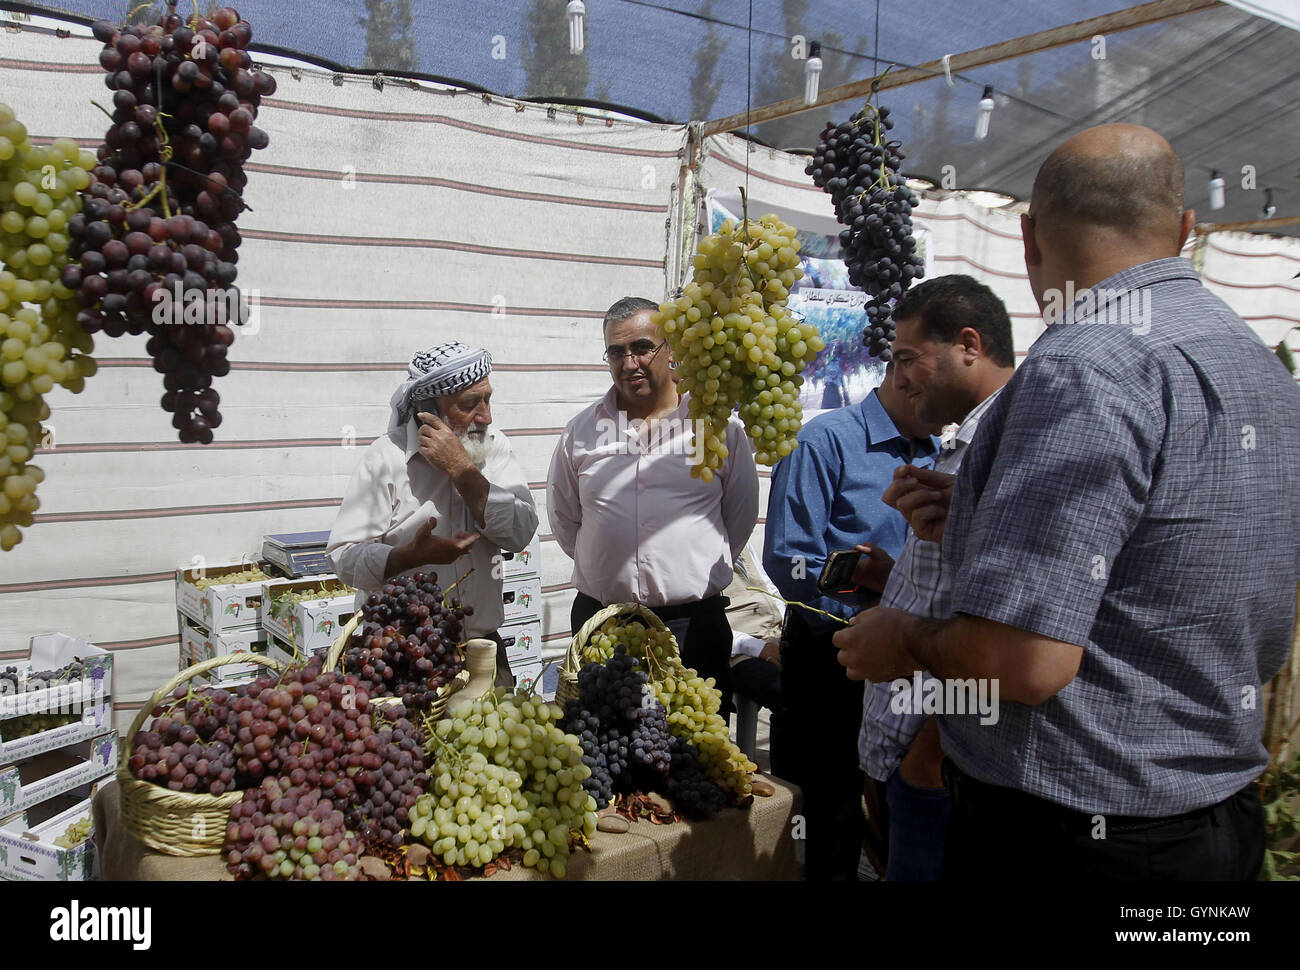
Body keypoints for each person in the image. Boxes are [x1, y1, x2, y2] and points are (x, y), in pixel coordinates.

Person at [834, 123, 1300, 881]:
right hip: (1218, 822)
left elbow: (1024, 661)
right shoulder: (1257, 366)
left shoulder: (1085, 363)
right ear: (1186, 230)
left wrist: (905, 642)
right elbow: (1168, 556)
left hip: (1078, 836)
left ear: (1028, 238)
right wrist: (986, 517)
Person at [850, 275, 1016, 881]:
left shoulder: (1005, 449)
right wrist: (893, 576)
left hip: (935, 767)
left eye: (907, 359)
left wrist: (926, 758)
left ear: (968, 345)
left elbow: (1017, 625)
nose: (898, 379)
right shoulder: (968, 446)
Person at [763, 363, 941, 880]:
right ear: (902, 377)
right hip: (831, 657)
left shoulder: (941, 456)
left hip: (917, 659)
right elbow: (789, 559)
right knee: (827, 817)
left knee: (900, 808)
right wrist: (868, 607)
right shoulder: (824, 441)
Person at [547, 297, 759, 705]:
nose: (629, 363)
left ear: (672, 348)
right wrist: (613, 564)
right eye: (616, 352)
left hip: (692, 630)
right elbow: (565, 521)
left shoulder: (715, 428)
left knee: (697, 755)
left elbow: (740, 516)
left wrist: (686, 568)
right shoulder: (581, 432)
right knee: (601, 757)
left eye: (643, 347)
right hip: (602, 627)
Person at [328, 341, 539, 685]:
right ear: (428, 409)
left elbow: (520, 531)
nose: (486, 416)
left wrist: (462, 470)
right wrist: (406, 557)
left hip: (481, 652)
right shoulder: (386, 459)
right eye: (470, 404)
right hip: (402, 655)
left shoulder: (494, 446)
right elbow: (344, 557)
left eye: (488, 399)